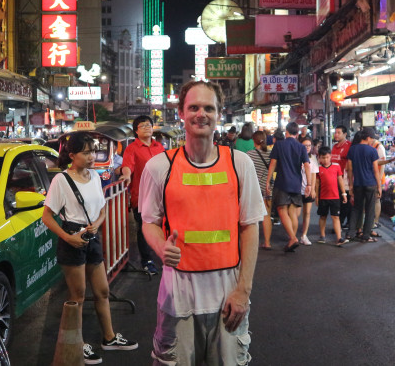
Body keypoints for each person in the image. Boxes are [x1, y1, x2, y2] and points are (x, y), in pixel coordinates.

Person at [139, 80, 263, 365]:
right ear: (181, 112)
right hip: (177, 298)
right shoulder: (160, 167)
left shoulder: (239, 164)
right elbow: (149, 222)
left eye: (208, 108)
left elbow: (250, 227)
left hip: (228, 297)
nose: (201, 114)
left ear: (219, 113)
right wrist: (160, 247)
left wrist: (243, 290)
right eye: (193, 107)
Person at [41, 132, 138, 365]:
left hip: (92, 238)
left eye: (93, 151)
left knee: (102, 291)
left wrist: (97, 223)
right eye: (86, 152)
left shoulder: (95, 176)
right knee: (78, 295)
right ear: (72, 155)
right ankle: (78, 344)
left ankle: (109, 337)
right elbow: (47, 217)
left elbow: (103, 208)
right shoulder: (61, 181)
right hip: (72, 239)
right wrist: (68, 237)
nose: (91, 156)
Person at [118, 115, 166, 275]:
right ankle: (147, 261)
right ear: (136, 131)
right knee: (144, 229)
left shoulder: (159, 147)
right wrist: (126, 175)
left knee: (163, 226)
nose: (147, 127)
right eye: (142, 126)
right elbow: (127, 166)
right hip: (142, 197)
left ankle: (163, 256)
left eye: (149, 125)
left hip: (162, 196)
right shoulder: (132, 149)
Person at [266, 122, 312, 252]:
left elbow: (273, 164)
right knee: (292, 212)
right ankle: (292, 238)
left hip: (282, 182)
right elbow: (307, 166)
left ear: (286, 132)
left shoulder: (279, 145)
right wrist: (309, 184)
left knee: (281, 210)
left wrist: (268, 181)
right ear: (297, 134)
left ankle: (292, 238)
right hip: (296, 183)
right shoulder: (301, 147)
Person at [344, 128, 382, 243]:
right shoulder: (372, 151)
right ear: (368, 138)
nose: (372, 141)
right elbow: (376, 171)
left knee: (356, 209)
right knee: (370, 210)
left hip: (358, 184)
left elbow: (349, 170)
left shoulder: (352, 150)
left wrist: (350, 186)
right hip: (370, 184)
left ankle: (350, 233)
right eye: (372, 139)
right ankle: (366, 235)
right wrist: (379, 186)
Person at [315, 146, 348, 245]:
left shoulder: (336, 166)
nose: (325, 160)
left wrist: (344, 193)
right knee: (323, 216)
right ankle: (322, 235)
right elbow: (317, 184)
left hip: (335, 197)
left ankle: (339, 238)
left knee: (336, 217)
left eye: (327, 157)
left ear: (330, 157)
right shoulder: (318, 168)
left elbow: (340, 180)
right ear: (319, 158)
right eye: (323, 157)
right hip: (323, 197)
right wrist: (317, 197)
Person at [247, 131, 274, 250]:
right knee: (266, 215)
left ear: (254, 141)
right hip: (269, 188)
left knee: (253, 217)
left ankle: (251, 243)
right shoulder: (271, 153)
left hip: (255, 188)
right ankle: (267, 242)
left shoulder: (249, 154)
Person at [297, 137, 319, 246]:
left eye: (309, 145)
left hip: (308, 188)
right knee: (296, 213)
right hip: (296, 189)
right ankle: (292, 235)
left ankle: (304, 235)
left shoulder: (313, 158)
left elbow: (314, 174)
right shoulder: (296, 157)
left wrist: (313, 188)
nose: (307, 148)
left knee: (307, 213)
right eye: (305, 145)